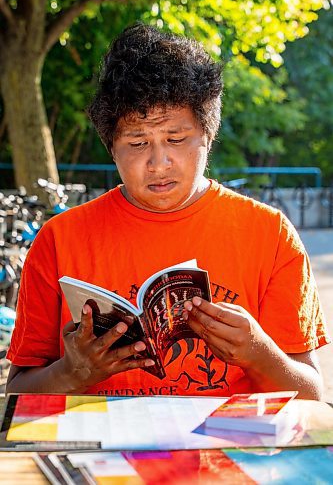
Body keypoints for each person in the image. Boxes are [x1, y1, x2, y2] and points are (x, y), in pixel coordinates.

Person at [6, 23, 330, 399]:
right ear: (112, 147)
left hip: (226, 450)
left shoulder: (270, 234)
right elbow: (17, 393)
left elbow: (312, 397)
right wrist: (72, 373)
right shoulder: (59, 239)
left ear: (208, 136)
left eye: (175, 139)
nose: (158, 163)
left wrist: (259, 354)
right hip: (98, 451)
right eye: (137, 142)